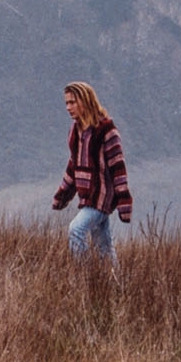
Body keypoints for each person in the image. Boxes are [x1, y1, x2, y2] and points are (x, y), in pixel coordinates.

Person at [49, 80, 133, 262]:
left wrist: (124, 202)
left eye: (72, 102)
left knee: (76, 229)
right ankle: (116, 286)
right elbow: (74, 166)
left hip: (101, 197)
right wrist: (62, 195)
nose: (68, 107)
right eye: (66, 103)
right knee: (104, 248)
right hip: (86, 197)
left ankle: (85, 280)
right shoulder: (76, 131)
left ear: (85, 101)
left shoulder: (106, 130)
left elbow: (118, 168)